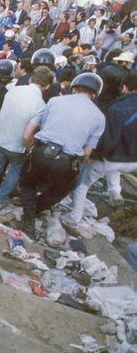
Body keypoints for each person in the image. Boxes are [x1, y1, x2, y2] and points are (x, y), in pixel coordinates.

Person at [18, 72, 106, 238]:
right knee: (62, 189)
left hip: (42, 151)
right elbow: (87, 152)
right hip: (67, 161)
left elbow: (44, 127)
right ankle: (35, 209)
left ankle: (28, 217)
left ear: (74, 89)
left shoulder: (55, 101)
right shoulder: (100, 117)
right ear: (94, 95)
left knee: (28, 183)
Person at [63, 70, 137, 227]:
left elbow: (108, 141)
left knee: (82, 184)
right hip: (132, 162)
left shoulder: (117, 109)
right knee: (116, 162)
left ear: (124, 87)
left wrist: (92, 155)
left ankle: (73, 219)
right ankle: (115, 192)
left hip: (112, 159)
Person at [0, 67, 54, 209]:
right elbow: (27, 135)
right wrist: (29, 147)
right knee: (14, 171)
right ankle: (0, 201)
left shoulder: (13, 90)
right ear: (47, 86)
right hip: (17, 146)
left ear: (31, 79)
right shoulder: (41, 105)